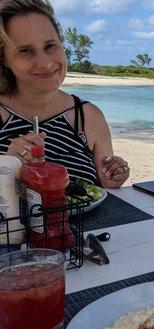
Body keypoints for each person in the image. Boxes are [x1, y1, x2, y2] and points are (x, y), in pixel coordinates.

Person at [0, 0, 129, 189]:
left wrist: (112, 176)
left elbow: (102, 190)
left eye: (50, 46)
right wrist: (7, 165)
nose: (44, 63)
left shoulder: (87, 117)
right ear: (4, 58)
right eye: (26, 51)